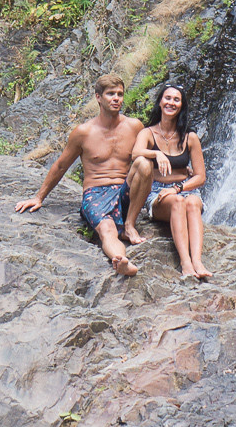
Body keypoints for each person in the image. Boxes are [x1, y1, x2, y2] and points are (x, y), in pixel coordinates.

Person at [13, 73, 144, 277]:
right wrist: (38, 197)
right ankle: (121, 260)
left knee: (144, 164)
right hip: (97, 193)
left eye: (120, 94)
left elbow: (153, 160)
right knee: (107, 230)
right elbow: (61, 165)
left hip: (127, 192)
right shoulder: (84, 132)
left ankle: (129, 224)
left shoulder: (134, 126)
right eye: (110, 94)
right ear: (98, 97)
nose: (116, 98)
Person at [121, 83, 211, 280]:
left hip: (184, 189)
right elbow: (135, 154)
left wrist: (178, 188)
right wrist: (156, 154)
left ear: (182, 105)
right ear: (160, 102)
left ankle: (197, 260)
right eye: (167, 98)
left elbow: (200, 177)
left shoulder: (190, 137)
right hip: (157, 192)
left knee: (193, 203)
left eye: (176, 99)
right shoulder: (148, 133)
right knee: (178, 202)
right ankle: (185, 263)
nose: (171, 102)